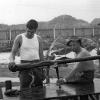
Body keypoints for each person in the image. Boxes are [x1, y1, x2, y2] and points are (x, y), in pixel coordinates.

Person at [9, 19, 45, 89]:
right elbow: (12, 53)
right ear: (26, 28)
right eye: (28, 31)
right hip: (24, 66)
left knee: (39, 89)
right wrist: (11, 61)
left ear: (36, 30)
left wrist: (43, 71)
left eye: (32, 32)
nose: (30, 33)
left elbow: (41, 56)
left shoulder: (39, 39)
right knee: (24, 89)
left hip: (37, 65)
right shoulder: (19, 38)